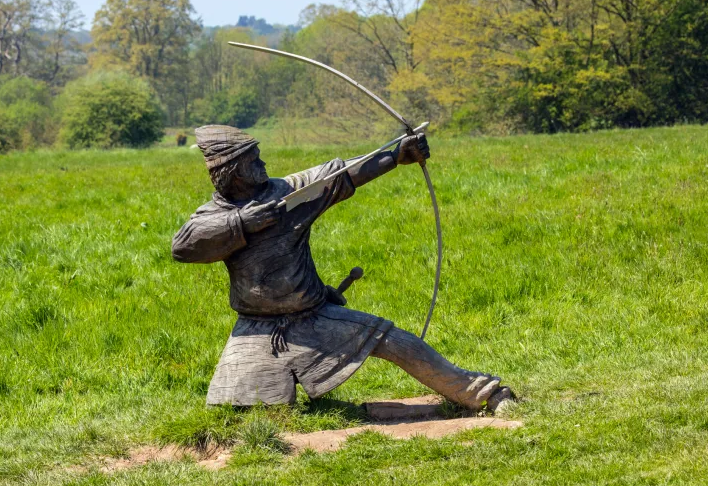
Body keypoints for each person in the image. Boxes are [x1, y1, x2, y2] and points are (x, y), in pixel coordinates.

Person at [172, 125, 514, 411]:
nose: (262, 163)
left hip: (313, 317)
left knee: (397, 341)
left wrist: (396, 155)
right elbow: (184, 246)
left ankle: (483, 394)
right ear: (233, 171)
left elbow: (340, 174)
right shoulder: (214, 215)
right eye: (253, 160)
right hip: (256, 332)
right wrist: (242, 223)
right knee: (241, 415)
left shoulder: (288, 194)